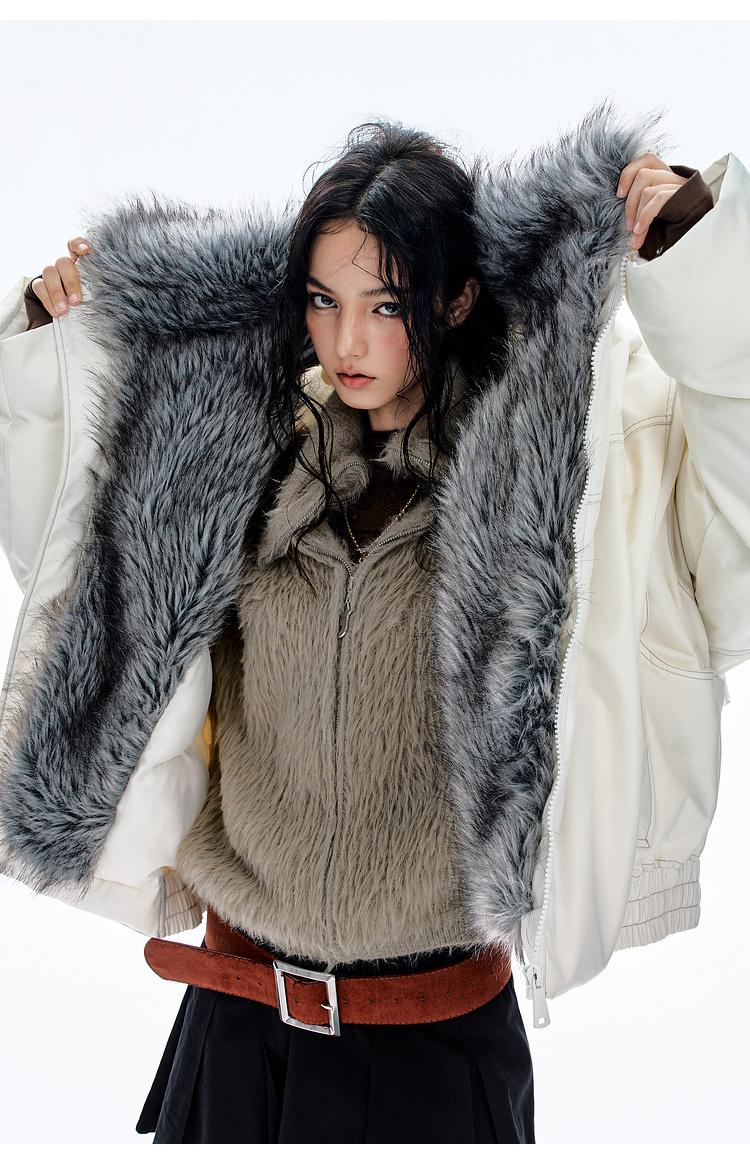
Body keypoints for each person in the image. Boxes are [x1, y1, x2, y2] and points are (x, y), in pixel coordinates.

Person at [0, 108, 748, 1144]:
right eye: (323, 300)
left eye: (386, 304)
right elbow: (75, 574)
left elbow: (734, 514)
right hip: (237, 1032)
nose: (347, 341)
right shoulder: (240, 456)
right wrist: (57, 360)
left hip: (440, 1048)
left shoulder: (567, 477)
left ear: (456, 297)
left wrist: (698, 260)